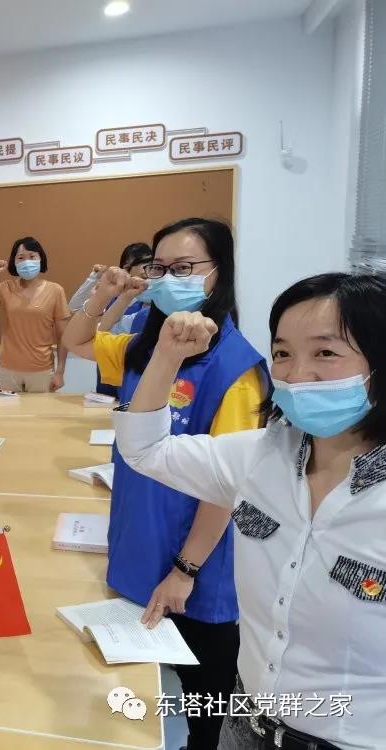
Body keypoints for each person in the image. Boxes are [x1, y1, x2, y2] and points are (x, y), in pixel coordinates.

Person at [114, 273, 386, 750]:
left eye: (325, 352)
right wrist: (168, 354)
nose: (296, 374)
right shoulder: (262, 455)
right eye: (282, 353)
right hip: (245, 725)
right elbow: (145, 450)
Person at [61, 218, 268, 750]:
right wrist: (107, 292)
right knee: (137, 700)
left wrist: (184, 570)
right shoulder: (144, 349)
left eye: (185, 268)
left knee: (201, 708)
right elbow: (75, 341)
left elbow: (227, 486)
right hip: (138, 545)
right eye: (160, 268)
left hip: (195, 567)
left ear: (219, 274)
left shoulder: (236, 368)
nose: (169, 278)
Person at [0, 236, 70, 393]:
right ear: (14, 262)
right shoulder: (5, 288)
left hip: (41, 370)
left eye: (32, 256)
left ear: (41, 259)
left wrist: (60, 372)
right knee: (7, 410)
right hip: (7, 370)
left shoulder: (55, 290)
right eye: (21, 257)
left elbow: (63, 335)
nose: (26, 262)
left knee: (40, 410)